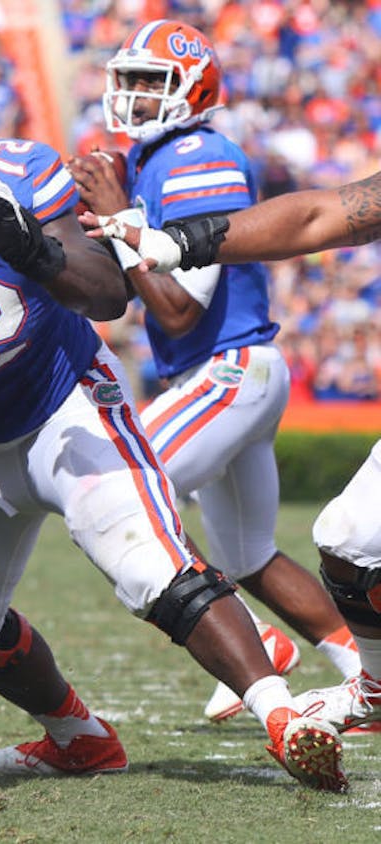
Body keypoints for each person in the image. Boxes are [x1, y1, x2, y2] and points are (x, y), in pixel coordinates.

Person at [0, 46, 347, 791]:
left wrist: (37, 253)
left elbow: (110, 292)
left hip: (65, 403)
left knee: (153, 567)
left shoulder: (13, 177)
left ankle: (282, 715)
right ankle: (79, 736)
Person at [66, 19, 363, 725]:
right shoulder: (161, 158)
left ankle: (253, 642)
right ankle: (361, 665)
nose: (133, 95)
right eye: (127, 79)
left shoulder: (196, 155)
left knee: (122, 491)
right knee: (250, 553)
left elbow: (174, 310)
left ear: (191, 90)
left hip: (225, 369)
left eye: (150, 82)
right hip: (232, 372)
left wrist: (118, 220)